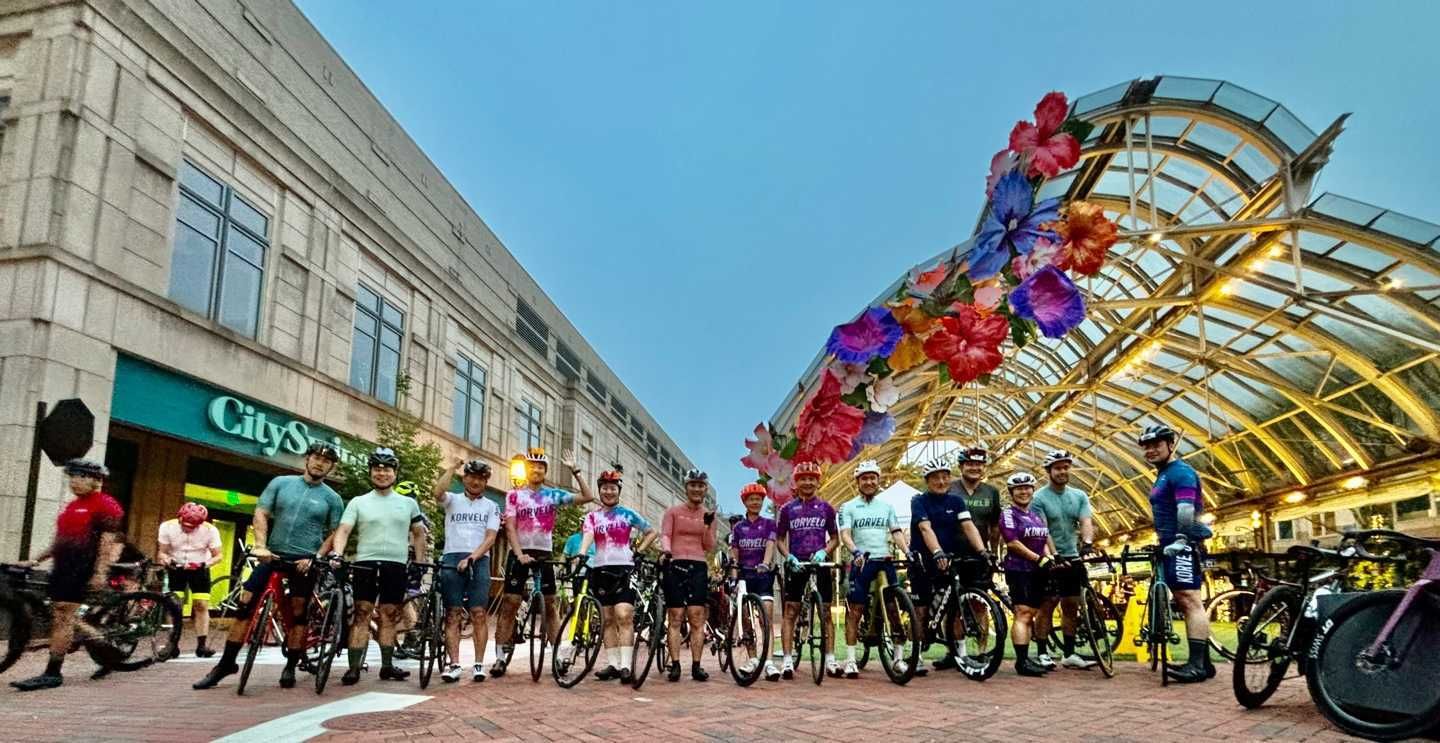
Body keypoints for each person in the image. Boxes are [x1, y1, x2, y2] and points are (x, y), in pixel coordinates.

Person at [194, 442, 345, 690]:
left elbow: (336, 530)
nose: (320, 463)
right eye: (316, 458)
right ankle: (226, 664)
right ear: (307, 459)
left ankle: (290, 666)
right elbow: (262, 512)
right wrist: (260, 545)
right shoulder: (280, 483)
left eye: (326, 461)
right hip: (272, 556)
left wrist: (317, 556)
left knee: (299, 614)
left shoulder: (332, 498)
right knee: (245, 604)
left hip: (304, 562)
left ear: (331, 467)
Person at [10, 459, 124, 691]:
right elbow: (60, 542)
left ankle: (53, 672)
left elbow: (106, 542)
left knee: (63, 614)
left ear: (96, 480)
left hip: (82, 567)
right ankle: (106, 649)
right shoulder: (73, 506)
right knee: (64, 614)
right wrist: (35, 560)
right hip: (63, 566)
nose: (74, 481)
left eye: (81, 476)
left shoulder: (106, 505)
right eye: (72, 476)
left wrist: (99, 572)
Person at [491, 447, 594, 678]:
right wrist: (518, 555)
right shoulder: (514, 495)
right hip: (520, 551)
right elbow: (510, 527)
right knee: (510, 602)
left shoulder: (552, 495)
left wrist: (576, 471)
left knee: (550, 604)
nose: (536, 469)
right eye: (532, 466)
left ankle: (557, 657)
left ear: (545, 471)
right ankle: (499, 657)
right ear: (527, 470)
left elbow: (587, 497)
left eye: (540, 466)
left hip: (543, 552)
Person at [330, 447, 427, 685]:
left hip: (395, 565)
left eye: (386, 469)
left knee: (389, 615)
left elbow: (419, 533)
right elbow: (343, 530)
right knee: (362, 613)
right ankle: (353, 667)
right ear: (371, 472)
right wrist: (338, 553)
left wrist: (420, 562)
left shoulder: (408, 504)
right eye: (377, 469)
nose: (381, 473)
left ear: (395, 473)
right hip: (365, 563)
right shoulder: (358, 502)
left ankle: (387, 665)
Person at [1140, 424, 1214, 683]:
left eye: (1156, 445)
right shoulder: (1163, 474)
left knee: (1190, 599)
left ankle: (1196, 665)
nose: (1150, 450)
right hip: (1169, 543)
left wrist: (1181, 539)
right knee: (1184, 601)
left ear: (1170, 445)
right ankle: (1204, 663)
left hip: (1182, 544)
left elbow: (1185, 508)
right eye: (1146, 446)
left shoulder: (1180, 472)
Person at [909, 456, 990, 676]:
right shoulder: (919, 501)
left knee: (956, 608)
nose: (942, 481)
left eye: (945, 477)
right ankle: (916, 654)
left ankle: (960, 653)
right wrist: (936, 552)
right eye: (936, 478)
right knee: (921, 609)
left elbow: (968, 525)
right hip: (924, 561)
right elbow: (925, 529)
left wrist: (982, 551)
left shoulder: (956, 501)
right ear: (928, 480)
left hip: (950, 559)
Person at [577, 469, 657, 684]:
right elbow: (588, 535)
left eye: (613, 488)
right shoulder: (592, 516)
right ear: (600, 490)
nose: (608, 492)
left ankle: (625, 666)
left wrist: (639, 552)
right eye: (605, 488)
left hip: (624, 569)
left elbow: (651, 532)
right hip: (600, 569)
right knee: (607, 619)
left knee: (624, 614)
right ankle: (612, 664)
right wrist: (582, 553)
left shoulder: (627, 514)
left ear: (618, 490)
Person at [431, 458, 501, 683]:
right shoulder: (453, 500)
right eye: (471, 477)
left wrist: (473, 557)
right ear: (464, 478)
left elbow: (491, 538)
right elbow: (437, 492)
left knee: (478, 613)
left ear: (486, 481)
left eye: (481, 478)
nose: (475, 481)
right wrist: (451, 468)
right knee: (452, 614)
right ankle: (454, 665)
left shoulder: (491, 506)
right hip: (452, 557)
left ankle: (479, 664)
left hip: (478, 560)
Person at [838, 460, 907, 679]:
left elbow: (896, 531)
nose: (869, 482)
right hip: (862, 561)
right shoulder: (848, 506)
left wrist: (908, 550)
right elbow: (845, 534)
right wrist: (855, 551)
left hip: (884, 559)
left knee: (893, 607)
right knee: (855, 610)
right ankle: (850, 659)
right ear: (858, 481)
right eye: (864, 478)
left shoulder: (886, 507)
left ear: (879, 480)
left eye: (873, 478)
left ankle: (898, 658)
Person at [1032, 449, 1097, 671]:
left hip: (1073, 557)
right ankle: (1042, 652)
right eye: (1058, 468)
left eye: (1066, 467)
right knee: (1047, 605)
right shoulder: (1038, 498)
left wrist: (1087, 543)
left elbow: (1086, 520)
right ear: (1049, 471)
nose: (1062, 471)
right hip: (1049, 558)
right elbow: (1042, 530)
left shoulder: (1079, 496)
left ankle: (1069, 653)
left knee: (1072, 605)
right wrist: (1052, 555)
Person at [776, 460, 840, 679]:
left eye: (811, 478)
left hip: (819, 564)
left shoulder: (826, 508)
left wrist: (824, 551)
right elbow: (780, 539)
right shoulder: (787, 509)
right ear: (796, 482)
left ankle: (830, 659)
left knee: (826, 613)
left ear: (817, 481)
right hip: (797, 564)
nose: (807, 482)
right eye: (803, 478)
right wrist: (788, 556)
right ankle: (786, 660)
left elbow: (835, 538)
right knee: (791, 611)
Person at [661, 469, 719, 682]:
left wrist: (707, 525)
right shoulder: (673, 512)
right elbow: (666, 534)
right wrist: (666, 550)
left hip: (698, 565)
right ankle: (675, 664)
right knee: (675, 616)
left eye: (700, 485)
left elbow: (709, 545)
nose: (696, 489)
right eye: (692, 485)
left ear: (705, 489)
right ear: (686, 487)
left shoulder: (708, 515)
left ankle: (696, 666)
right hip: (675, 563)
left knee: (696, 617)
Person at [1000, 472, 1056, 677]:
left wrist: (1049, 557)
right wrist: (1037, 558)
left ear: (1032, 490)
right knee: (1023, 613)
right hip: (1019, 569)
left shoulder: (1035, 516)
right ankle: (1021, 662)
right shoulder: (1008, 514)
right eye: (1018, 489)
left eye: (1027, 487)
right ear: (1011, 492)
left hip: (1038, 570)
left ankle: (1029, 658)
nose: (1024, 491)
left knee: (1033, 613)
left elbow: (1043, 541)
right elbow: (1012, 542)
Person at [157, 502, 222, 658]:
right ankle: (172, 645)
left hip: (199, 568)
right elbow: (162, 553)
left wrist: (203, 564)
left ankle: (202, 646)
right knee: (174, 606)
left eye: (193, 526)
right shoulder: (167, 526)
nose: (188, 529)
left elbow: (218, 556)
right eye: (185, 525)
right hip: (176, 567)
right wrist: (166, 560)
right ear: (179, 517)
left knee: (201, 605)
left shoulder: (210, 530)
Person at [729, 483, 780, 681]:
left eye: (758, 499)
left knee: (765, 614)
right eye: (751, 499)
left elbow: (770, 545)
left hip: (762, 576)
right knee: (746, 620)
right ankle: (752, 659)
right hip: (744, 578)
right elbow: (735, 553)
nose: (755, 502)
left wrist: (765, 564)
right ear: (745, 502)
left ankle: (768, 662)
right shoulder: (738, 528)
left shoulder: (769, 524)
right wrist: (734, 578)